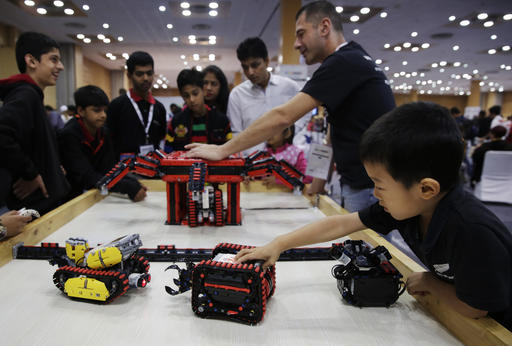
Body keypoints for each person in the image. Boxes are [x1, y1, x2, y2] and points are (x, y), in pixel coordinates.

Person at [235, 102, 512, 331]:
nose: (375, 193)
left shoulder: (471, 230)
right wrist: (278, 244)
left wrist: (429, 281)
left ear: (426, 188)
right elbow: (342, 223)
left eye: (379, 185)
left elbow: (476, 307)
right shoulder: (409, 207)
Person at [186, 1, 396, 212]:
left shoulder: (343, 62)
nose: (296, 44)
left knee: (367, 244)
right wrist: (317, 184)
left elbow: (283, 117)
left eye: (301, 34)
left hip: (370, 186)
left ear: (324, 27)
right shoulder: (352, 58)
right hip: (361, 183)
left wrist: (223, 150)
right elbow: (331, 137)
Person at [0, 31, 69, 215]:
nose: (60, 66)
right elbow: (3, 135)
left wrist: (50, 165)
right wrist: (29, 173)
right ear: (31, 61)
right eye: (53, 60)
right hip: (33, 206)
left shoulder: (31, 95)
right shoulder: (25, 95)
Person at [57, 85, 147, 202]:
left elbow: (109, 168)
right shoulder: (68, 135)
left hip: (96, 193)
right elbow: (85, 175)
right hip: (71, 198)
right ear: (80, 111)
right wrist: (127, 187)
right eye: (97, 110)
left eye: (105, 110)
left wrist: (134, 183)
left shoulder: (104, 132)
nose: (103, 115)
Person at [227, 37, 309, 156]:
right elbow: (236, 133)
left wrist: (292, 134)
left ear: (266, 61)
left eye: (255, 65)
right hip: (253, 163)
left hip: (287, 160)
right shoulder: (237, 95)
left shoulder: (289, 87)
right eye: (245, 67)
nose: (250, 72)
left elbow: (305, 113)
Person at [107, 51, 167, 159]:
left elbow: (161, 138)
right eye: (139, 74)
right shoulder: (116, 106)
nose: (146, 78)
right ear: (129, 75)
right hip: (124, 169)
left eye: (149, 73)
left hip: (152, 168)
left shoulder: (159, 108)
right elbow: (109, 142)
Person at [164, 69, 232, 152]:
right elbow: (167, 151)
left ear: (203, 90)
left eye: (195, 93)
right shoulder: (176, 121)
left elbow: (231, 151)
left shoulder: (221, 120)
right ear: (182, 96)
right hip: (183, 164)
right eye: (186, 96)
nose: (191, 99)